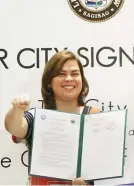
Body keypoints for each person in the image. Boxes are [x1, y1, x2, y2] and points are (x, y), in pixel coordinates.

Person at [4, 50, 100, 185]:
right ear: (49, 82)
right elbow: (14, 128)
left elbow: (103, 161)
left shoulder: (95, 117)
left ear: (82, 80)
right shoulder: (38, 117)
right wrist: (17, 109)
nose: (69, 79)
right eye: (61, 74)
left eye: (75, 74)